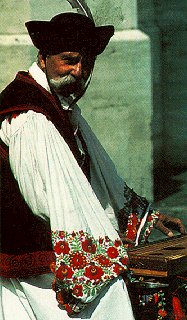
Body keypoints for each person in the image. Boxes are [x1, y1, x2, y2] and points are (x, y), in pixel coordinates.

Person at [0, 12, 186, 320]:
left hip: (45, 246)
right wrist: (106, 242)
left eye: (87, 63)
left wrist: (144, 218)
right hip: (35, 259)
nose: (79, 71)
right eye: (69, 60)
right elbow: (48, 200)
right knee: (109, 298)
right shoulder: (30, 116)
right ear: (43, 58)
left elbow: (98, 178)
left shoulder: (58, 105)